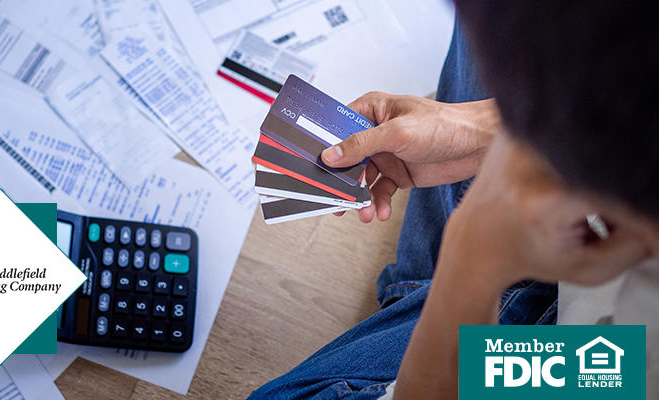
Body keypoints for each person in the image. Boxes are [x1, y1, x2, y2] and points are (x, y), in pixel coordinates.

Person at [247, 0, 659, 398]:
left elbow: (610, 373)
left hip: (586, 350)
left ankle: (416, 306)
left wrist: (472, 263)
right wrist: (479, 129)